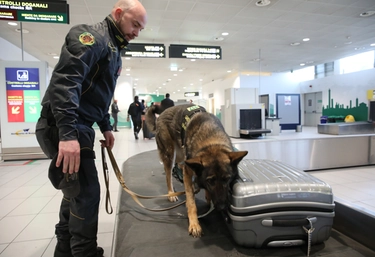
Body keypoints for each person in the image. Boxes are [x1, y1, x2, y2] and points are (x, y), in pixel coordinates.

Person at [35, 1, 147, 256]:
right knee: (87, 195)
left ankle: (64, 249)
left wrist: (106, 126)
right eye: (135, 24)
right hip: (65, 126)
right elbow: (66, 83)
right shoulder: (91, 36)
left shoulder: (113, 48)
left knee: (74, 192)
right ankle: (83, 252)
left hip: (79, 126)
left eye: (141, 28)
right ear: (119, 14)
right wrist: (67, 135)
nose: (137, 33)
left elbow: (99, 94)